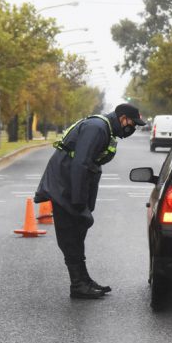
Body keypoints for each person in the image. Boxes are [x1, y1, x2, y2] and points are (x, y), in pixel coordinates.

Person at [34, 103, 145, 299]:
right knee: (70, 235)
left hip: (68, 186)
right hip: (64, 188)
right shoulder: (97, 128)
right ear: (123, 119)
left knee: (77, 233)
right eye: (132, 124)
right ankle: (78, 285)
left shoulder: (104, 129)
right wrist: (78, 201)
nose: (132, 128)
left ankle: (83, 280)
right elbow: (80, 163)